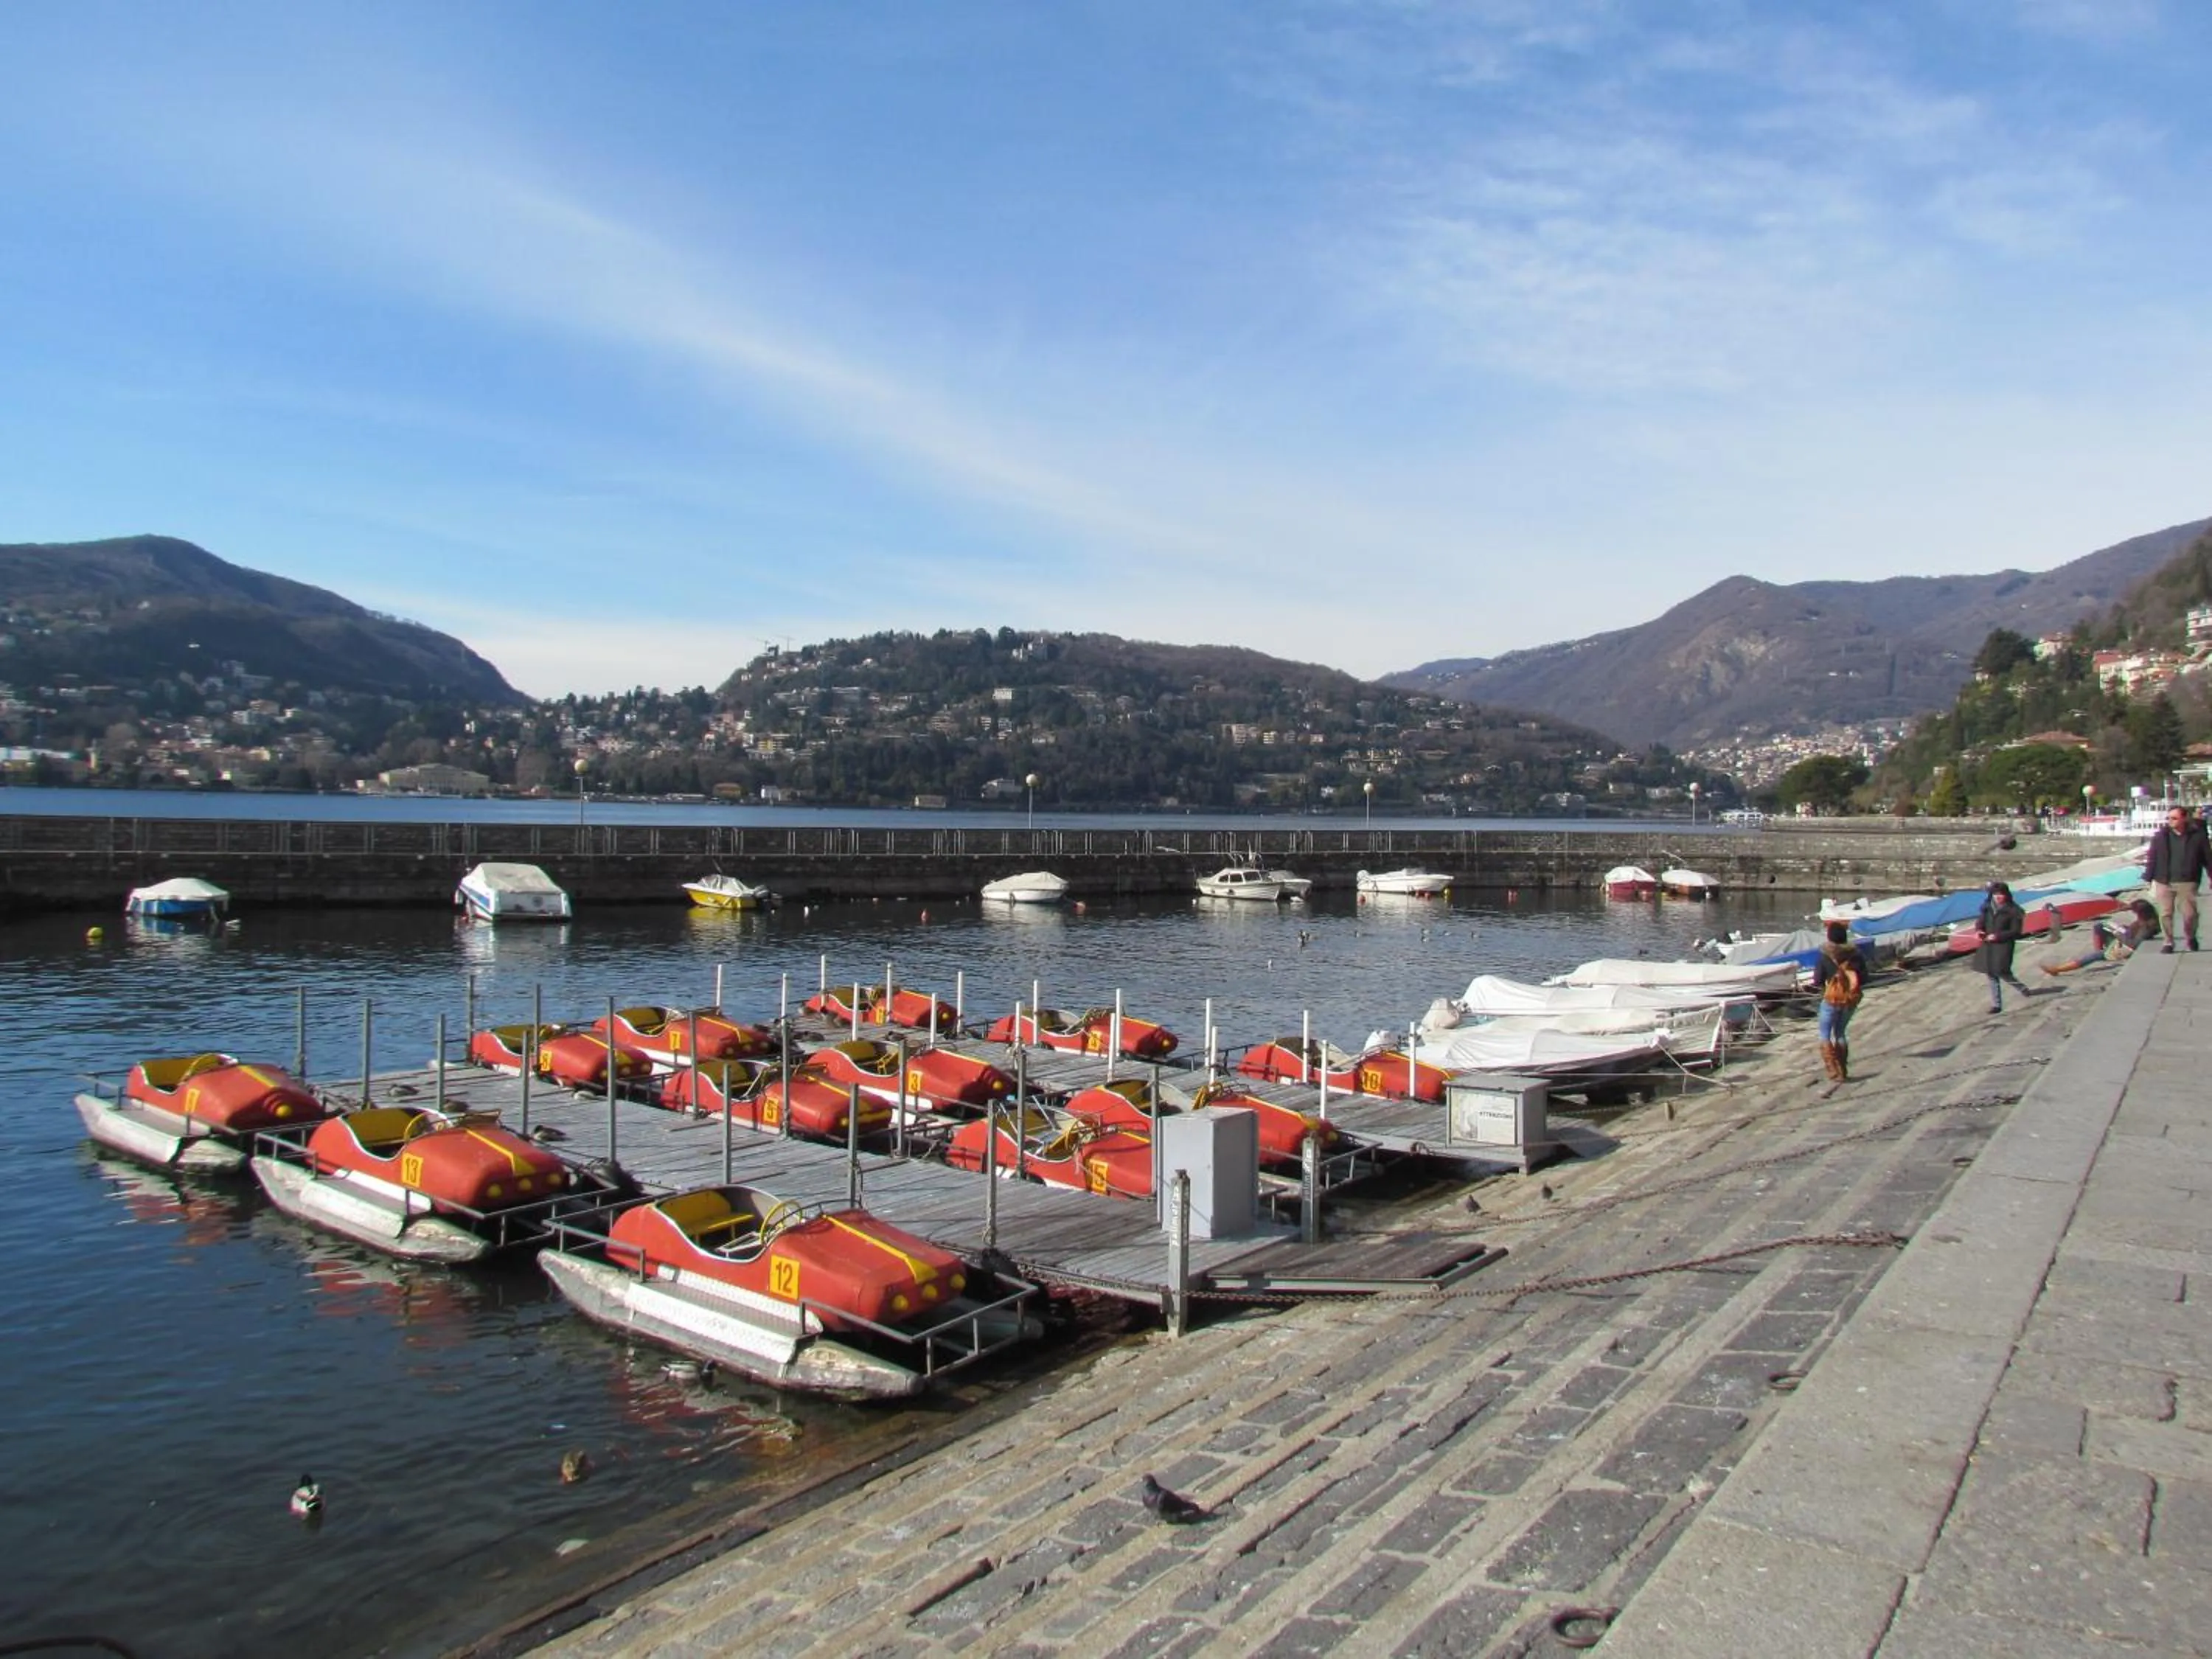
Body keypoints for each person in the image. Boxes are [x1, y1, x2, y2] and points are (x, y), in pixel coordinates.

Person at [2141, 805, 2208, 953]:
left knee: (2190, 915)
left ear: (2184, 818)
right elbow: (2153, 857)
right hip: (2164, 880)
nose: (2170, 821)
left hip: (2188, 881)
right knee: (2166, 913)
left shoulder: (2198, 837)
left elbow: (2207, 858)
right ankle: (2168, 942)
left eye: (2174, 818)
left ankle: (2191, 937)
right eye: (2169, 818)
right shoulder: (2161, 837)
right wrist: (2148, 877)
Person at [2041, 899, 2160, 976]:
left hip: (2124, 948)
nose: (2134, 913)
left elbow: (2133, 944)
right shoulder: (2146, 919)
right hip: (2125, 937)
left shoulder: (2146, 927)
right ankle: (2101, 951)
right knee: (2100, 926)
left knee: (2093, 956)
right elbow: (2134, 907)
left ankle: (2056, 970)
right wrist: (2121, 909)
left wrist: (2118, 934)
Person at [1812, 919, 1866, 1081]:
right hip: (1849, 1000)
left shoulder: (1825, 955)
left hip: (1831, 999)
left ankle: (1832, 1070)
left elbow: (1817, 980)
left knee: (1824, 1035)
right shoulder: (1856, 955)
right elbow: (1865, 977)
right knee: (1840, 1033)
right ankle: (1843, 1069)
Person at [1976, 880, 2028, 1013]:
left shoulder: (2014, 911)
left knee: (2002, 971)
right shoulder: (1987, 908)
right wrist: (1979, 931)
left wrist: (1998, 936)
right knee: (1991, 973)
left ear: (2007, 895)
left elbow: (2016, 931)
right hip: (1988, 945)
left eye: (2001, 894)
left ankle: (2021, 988)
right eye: (1995, 895)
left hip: (2004, 945)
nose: (1998, 897)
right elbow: (1980, 922)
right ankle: (1996, 1005)